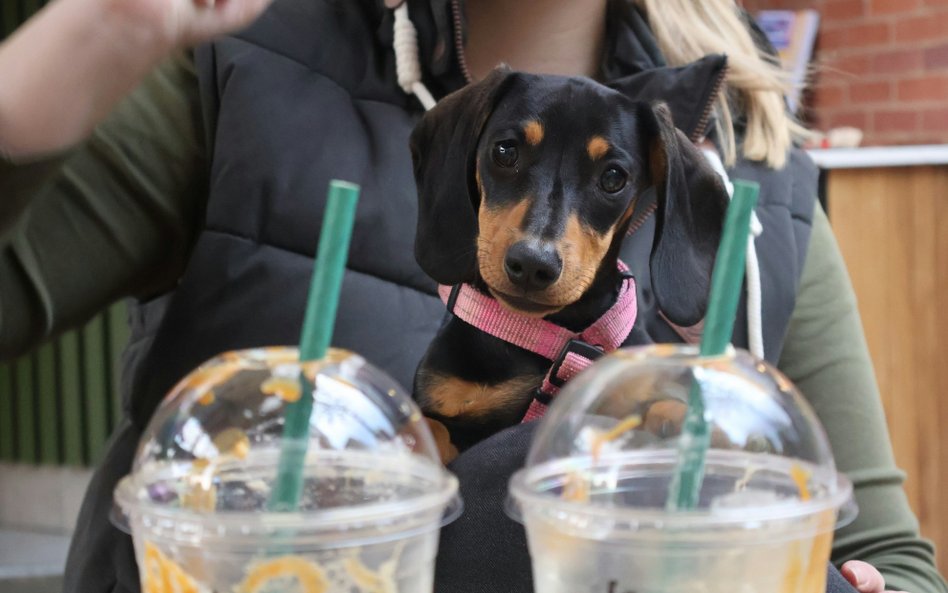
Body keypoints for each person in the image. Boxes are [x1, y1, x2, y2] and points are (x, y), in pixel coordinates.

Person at [0, 1, 943, 592]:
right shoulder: (233, 54)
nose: (540, 241)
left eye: (609, 185)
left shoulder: (758, 180)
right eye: (507, 159)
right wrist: (84, 40)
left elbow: (893, 560)